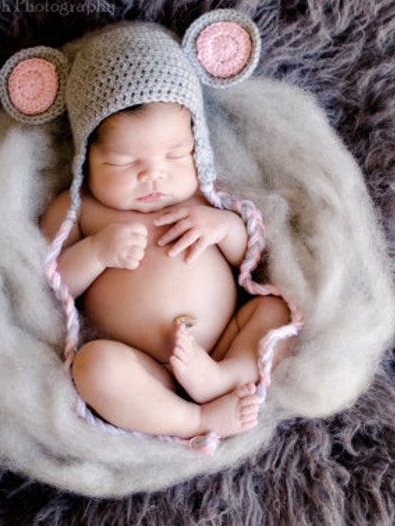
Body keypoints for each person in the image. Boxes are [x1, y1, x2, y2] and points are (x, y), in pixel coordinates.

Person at [40, 91, 290, 440]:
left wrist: (223, 228)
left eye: (175, 155)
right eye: (123, 162)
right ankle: (197, 419)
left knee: (275, 310)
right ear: (86, 157)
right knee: (93, 367)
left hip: (222, 344)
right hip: (143, 368)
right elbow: (52, 285)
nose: (154, 175)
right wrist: (96, 252)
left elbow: (252, 257)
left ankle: (223, 378)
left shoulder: (204, 195)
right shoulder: (79, 209)